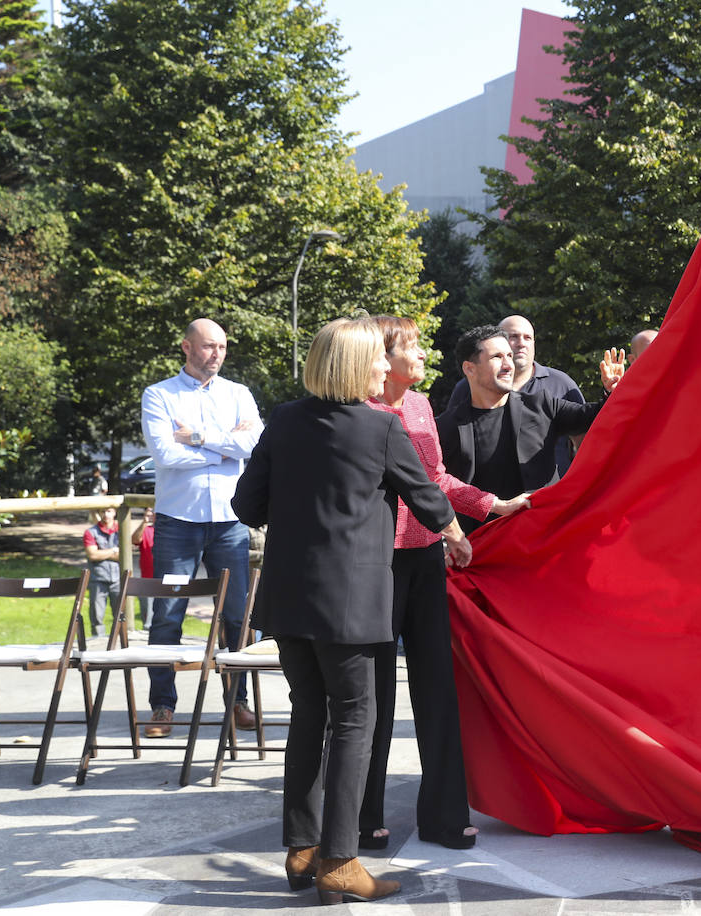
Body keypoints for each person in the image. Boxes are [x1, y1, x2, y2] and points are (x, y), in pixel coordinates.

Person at [230, 316, 472, 905]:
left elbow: (245, 504)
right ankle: (339, 858)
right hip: (352, 603)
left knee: (309, 717)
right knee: (354, 723)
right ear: (354, 365)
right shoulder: (381, 427)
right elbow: (428, 498)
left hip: (289, 600)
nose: (385, 367)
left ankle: (301, 849)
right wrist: (456, 534)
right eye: (376, 359)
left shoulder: (284, 421)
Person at [358, 316, 531, 852]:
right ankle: (363, 817)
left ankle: (443, 815)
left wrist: (490, 505)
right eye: (413, 345)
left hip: (425, 557)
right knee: (374, 696)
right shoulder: (356, 412)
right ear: (384, 357)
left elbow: (431, 478)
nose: (423, 352)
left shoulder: (418, 405)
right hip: (374, 565)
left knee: (437, 689)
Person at [140, 318, 262, 737]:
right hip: (178, 522)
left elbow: (253, 445)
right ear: (186, 347)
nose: (217, 354)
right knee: (167, 612)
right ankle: (162, 706)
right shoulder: (159, 395)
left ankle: (238, 703)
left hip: (229, 521)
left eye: (223, 347)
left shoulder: (239, 394)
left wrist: (196, 437)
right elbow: (164, 454)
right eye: (209, 346)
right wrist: (222, 449)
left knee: (236, 616)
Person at [438, 326, 622, 529]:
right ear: (470, 368)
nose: (508, 364)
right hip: (484, 547)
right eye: (497, 357)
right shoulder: (446, 427)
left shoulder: (541, 404)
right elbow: (438, 486)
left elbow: (596, 418)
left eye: (509, 355)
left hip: (544, 536)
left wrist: (612, 392)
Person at [444, 314, 587, 475]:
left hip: (551, 494)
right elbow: (451, 444)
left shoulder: (560, 384)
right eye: (513, 337)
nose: (521, 344)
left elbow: (586, 443)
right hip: (489, 496)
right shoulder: (469, 387)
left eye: (528, 338)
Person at [83, 506, 123, 638]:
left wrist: (102, 553)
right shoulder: (91, 532)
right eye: (103, 511)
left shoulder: (122, 530)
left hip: (117, 578)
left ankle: (120, 640)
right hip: (98, 578)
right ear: (99, 513)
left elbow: (124, 556)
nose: (106, 514)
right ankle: (97, 642)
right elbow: (92, 555)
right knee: (97, 615)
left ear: (115, 512)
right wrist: (113, 551)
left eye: (109, 511)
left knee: (120, 614)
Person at [130, 506, 156, 629]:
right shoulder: (146, 530)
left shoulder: (168, 531)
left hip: (166, 579)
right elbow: (134, 539)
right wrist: (144, 522)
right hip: (148, 580)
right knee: (148, 621)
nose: (151, 514)